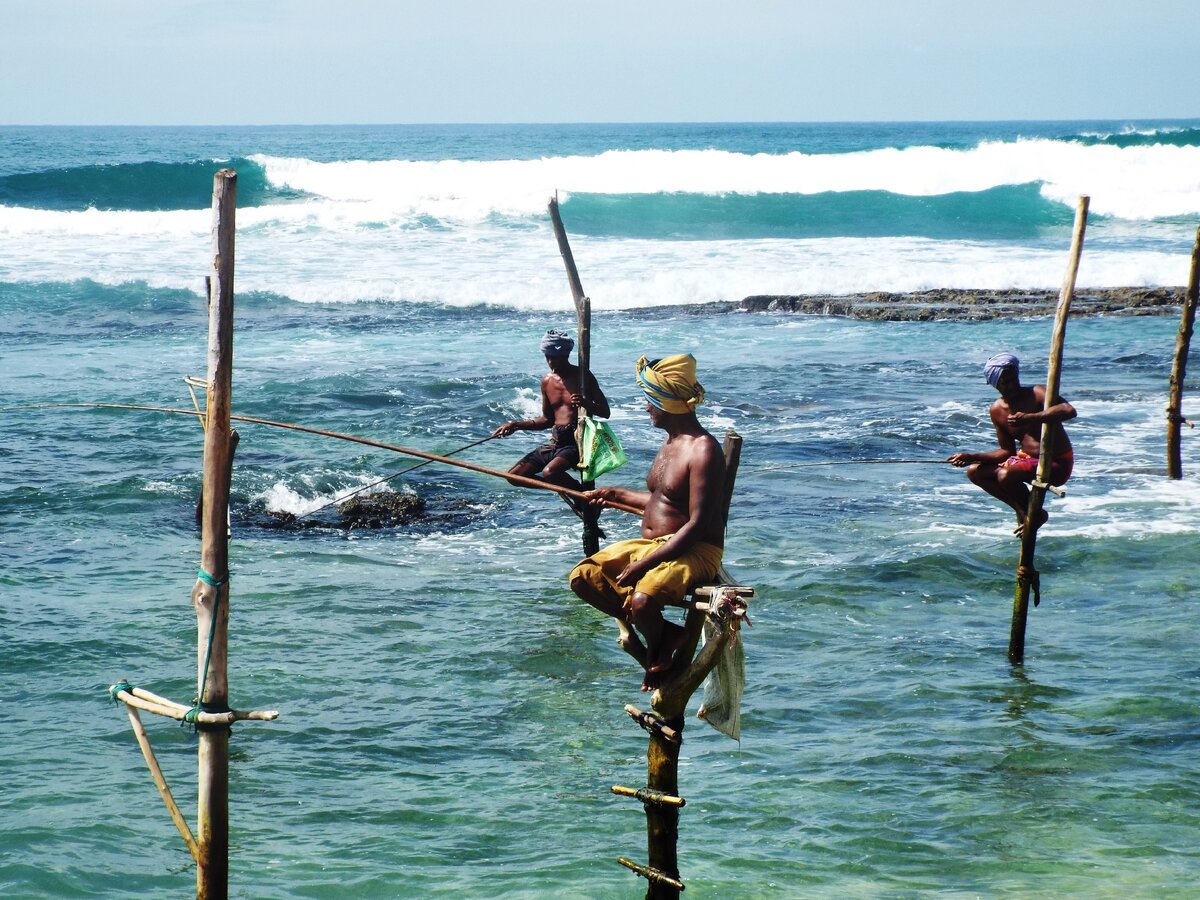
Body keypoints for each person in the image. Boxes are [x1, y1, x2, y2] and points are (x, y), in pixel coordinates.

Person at [569, 354, 726, 691]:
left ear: (666, 402)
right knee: (583, 578)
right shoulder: (669, 443)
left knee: (642, 600)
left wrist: (646, 565)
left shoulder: (703, 450)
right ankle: (665, 635)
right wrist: (616, 495)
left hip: (695, 550)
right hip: (655, 546)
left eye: (650, 401)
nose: (646, 408)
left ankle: (656, 648)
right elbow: (662, 503)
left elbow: (697, 524)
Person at [947, 352, 1076, 536]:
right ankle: (1024, 510)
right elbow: (1006, 452)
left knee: (1006, 475)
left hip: (1056, 463)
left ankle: (1033, 514)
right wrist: (971, 457)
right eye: (1004, 383)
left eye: (1012, 379)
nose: (1010, 386)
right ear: (994, 385)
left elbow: (1069, 410)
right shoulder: (997, 410)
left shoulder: (1037, 393)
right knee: (975, 472)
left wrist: (1032, 417)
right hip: (1025, 461)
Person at [491, 329, 610, 496]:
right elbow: (547, 420)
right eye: (547, 356)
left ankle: (584, 497)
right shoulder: (546, 381)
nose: (550, 361)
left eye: (554, 357)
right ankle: (572, 492)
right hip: (556, 443)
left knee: (550, 473)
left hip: (576, 444)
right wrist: (515, 425)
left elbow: (605, 412)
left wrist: (585, 403)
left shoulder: (583, 376)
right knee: (514, 476)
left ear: (566, 356)